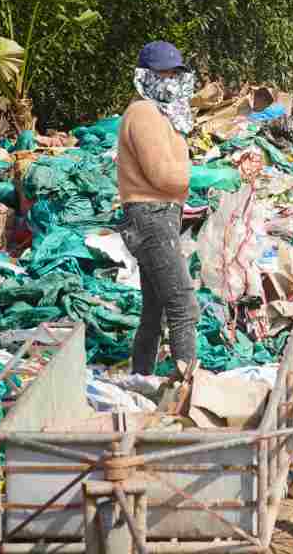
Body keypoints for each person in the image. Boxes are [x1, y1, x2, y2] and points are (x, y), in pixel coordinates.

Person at [116, 40, 198, 376]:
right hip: (151, 215)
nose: (169, 80)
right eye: (161, 73)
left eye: (173, 73)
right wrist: (191, 178)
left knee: (155, 309)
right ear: (146, 76)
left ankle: (142, 377)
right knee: (183, 306)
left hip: (155, 214)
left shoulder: (160, 113)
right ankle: (188, 389)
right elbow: (165, 177)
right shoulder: (145, 113)